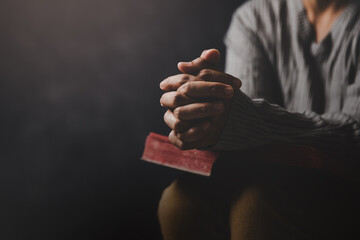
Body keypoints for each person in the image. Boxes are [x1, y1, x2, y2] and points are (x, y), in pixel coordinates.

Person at [158, 0, 360, 239]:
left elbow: (355, 136)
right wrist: (207, 110)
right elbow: (248, 133)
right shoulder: (254, 17)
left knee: (258, 205)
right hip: (272, 178)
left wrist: (238, 120)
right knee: (179, 201)